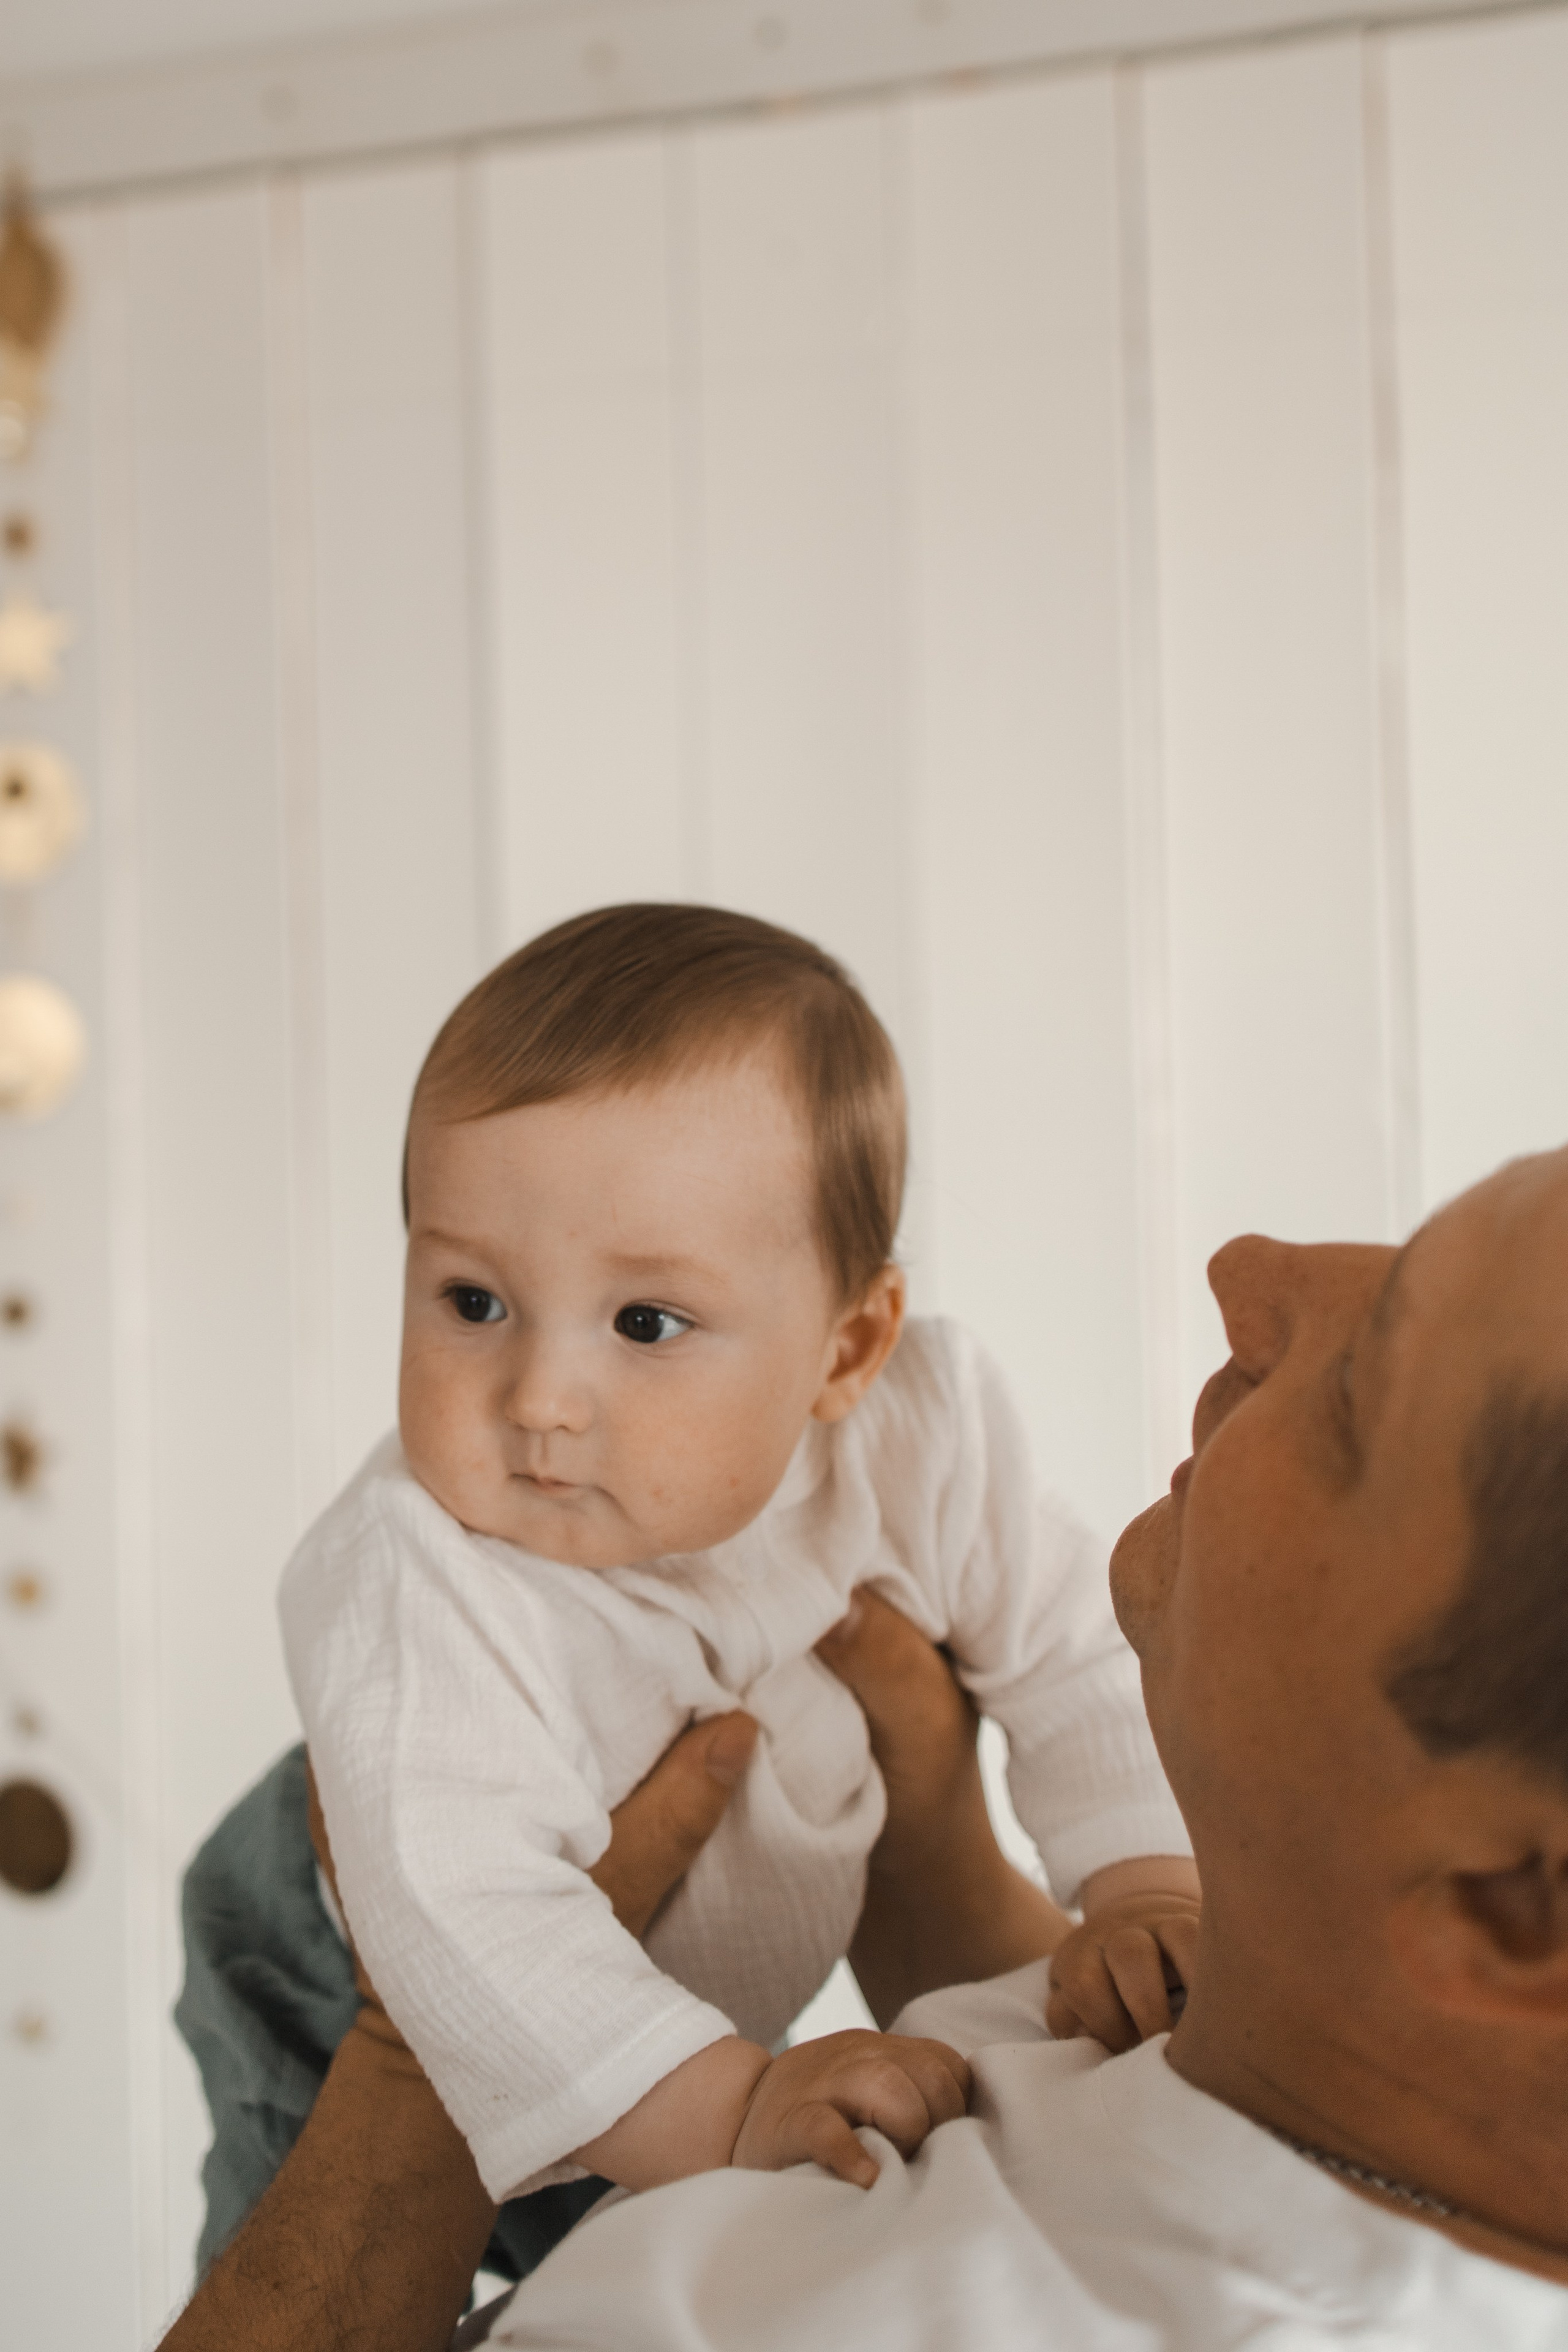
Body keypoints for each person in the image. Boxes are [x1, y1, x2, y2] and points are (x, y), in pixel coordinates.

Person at [166, 1144, 1568, 2347]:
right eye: (473, 1299)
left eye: (1362, 1386)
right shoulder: (1256, 2030)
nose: (1248, 1270)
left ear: (1511, 1911)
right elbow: (1037, 2090)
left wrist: (418, 2043)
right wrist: (943, 1841)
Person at [262, 903, 1194, 2230]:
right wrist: (724, 2109)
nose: (539, 1397)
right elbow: (458, 1909)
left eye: (645, 1322)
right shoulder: (424, 1573)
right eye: (474, 1301)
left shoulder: (919, 1438)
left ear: (845, 1350)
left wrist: (1145, 1882)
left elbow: (1078, 1650)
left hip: (656, 2017)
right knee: (325, 2248)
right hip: (348, 1950)